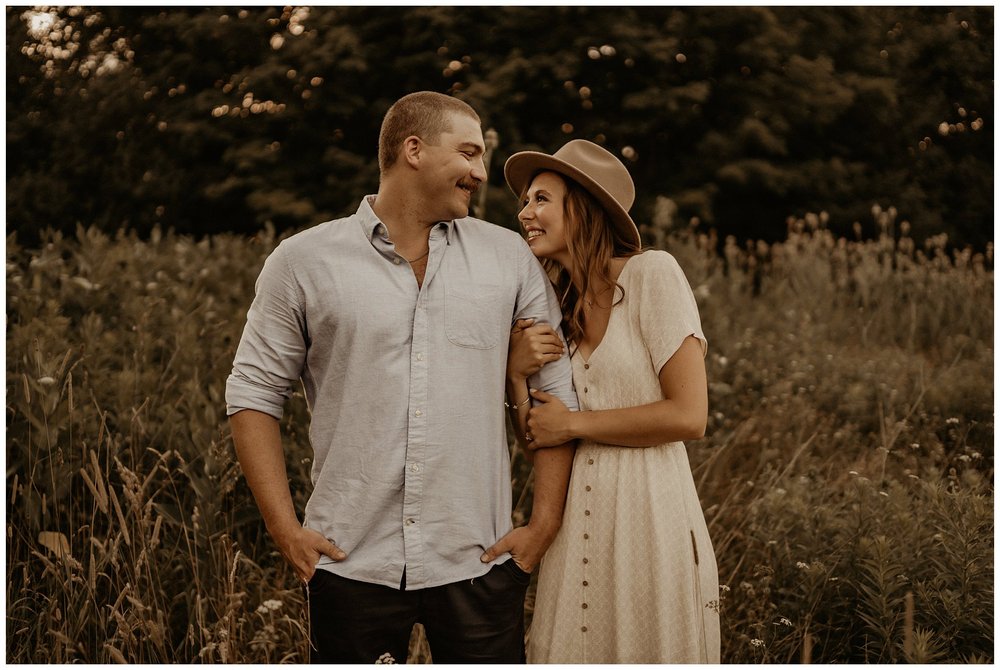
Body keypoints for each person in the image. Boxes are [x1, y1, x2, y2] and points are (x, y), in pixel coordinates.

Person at [225, 91, 577, 664]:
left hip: (478, 559)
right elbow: (253, 395)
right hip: (348, 559)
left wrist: (542, 527)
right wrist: (285, 529)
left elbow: (555, 393)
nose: (481, 171)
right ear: (413, 149)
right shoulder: (303, 261)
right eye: (468, 152)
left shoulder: (508, 258)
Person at [499, 139, 721, 663]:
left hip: (651, 518)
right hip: (578, 527)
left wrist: (575, 423)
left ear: (584, 208)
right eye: (527, 201)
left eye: (541, 199)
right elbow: (541, 440)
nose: (523, 212)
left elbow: (690, 416)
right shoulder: (556, 308)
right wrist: (514, 375)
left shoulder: (653, 275)